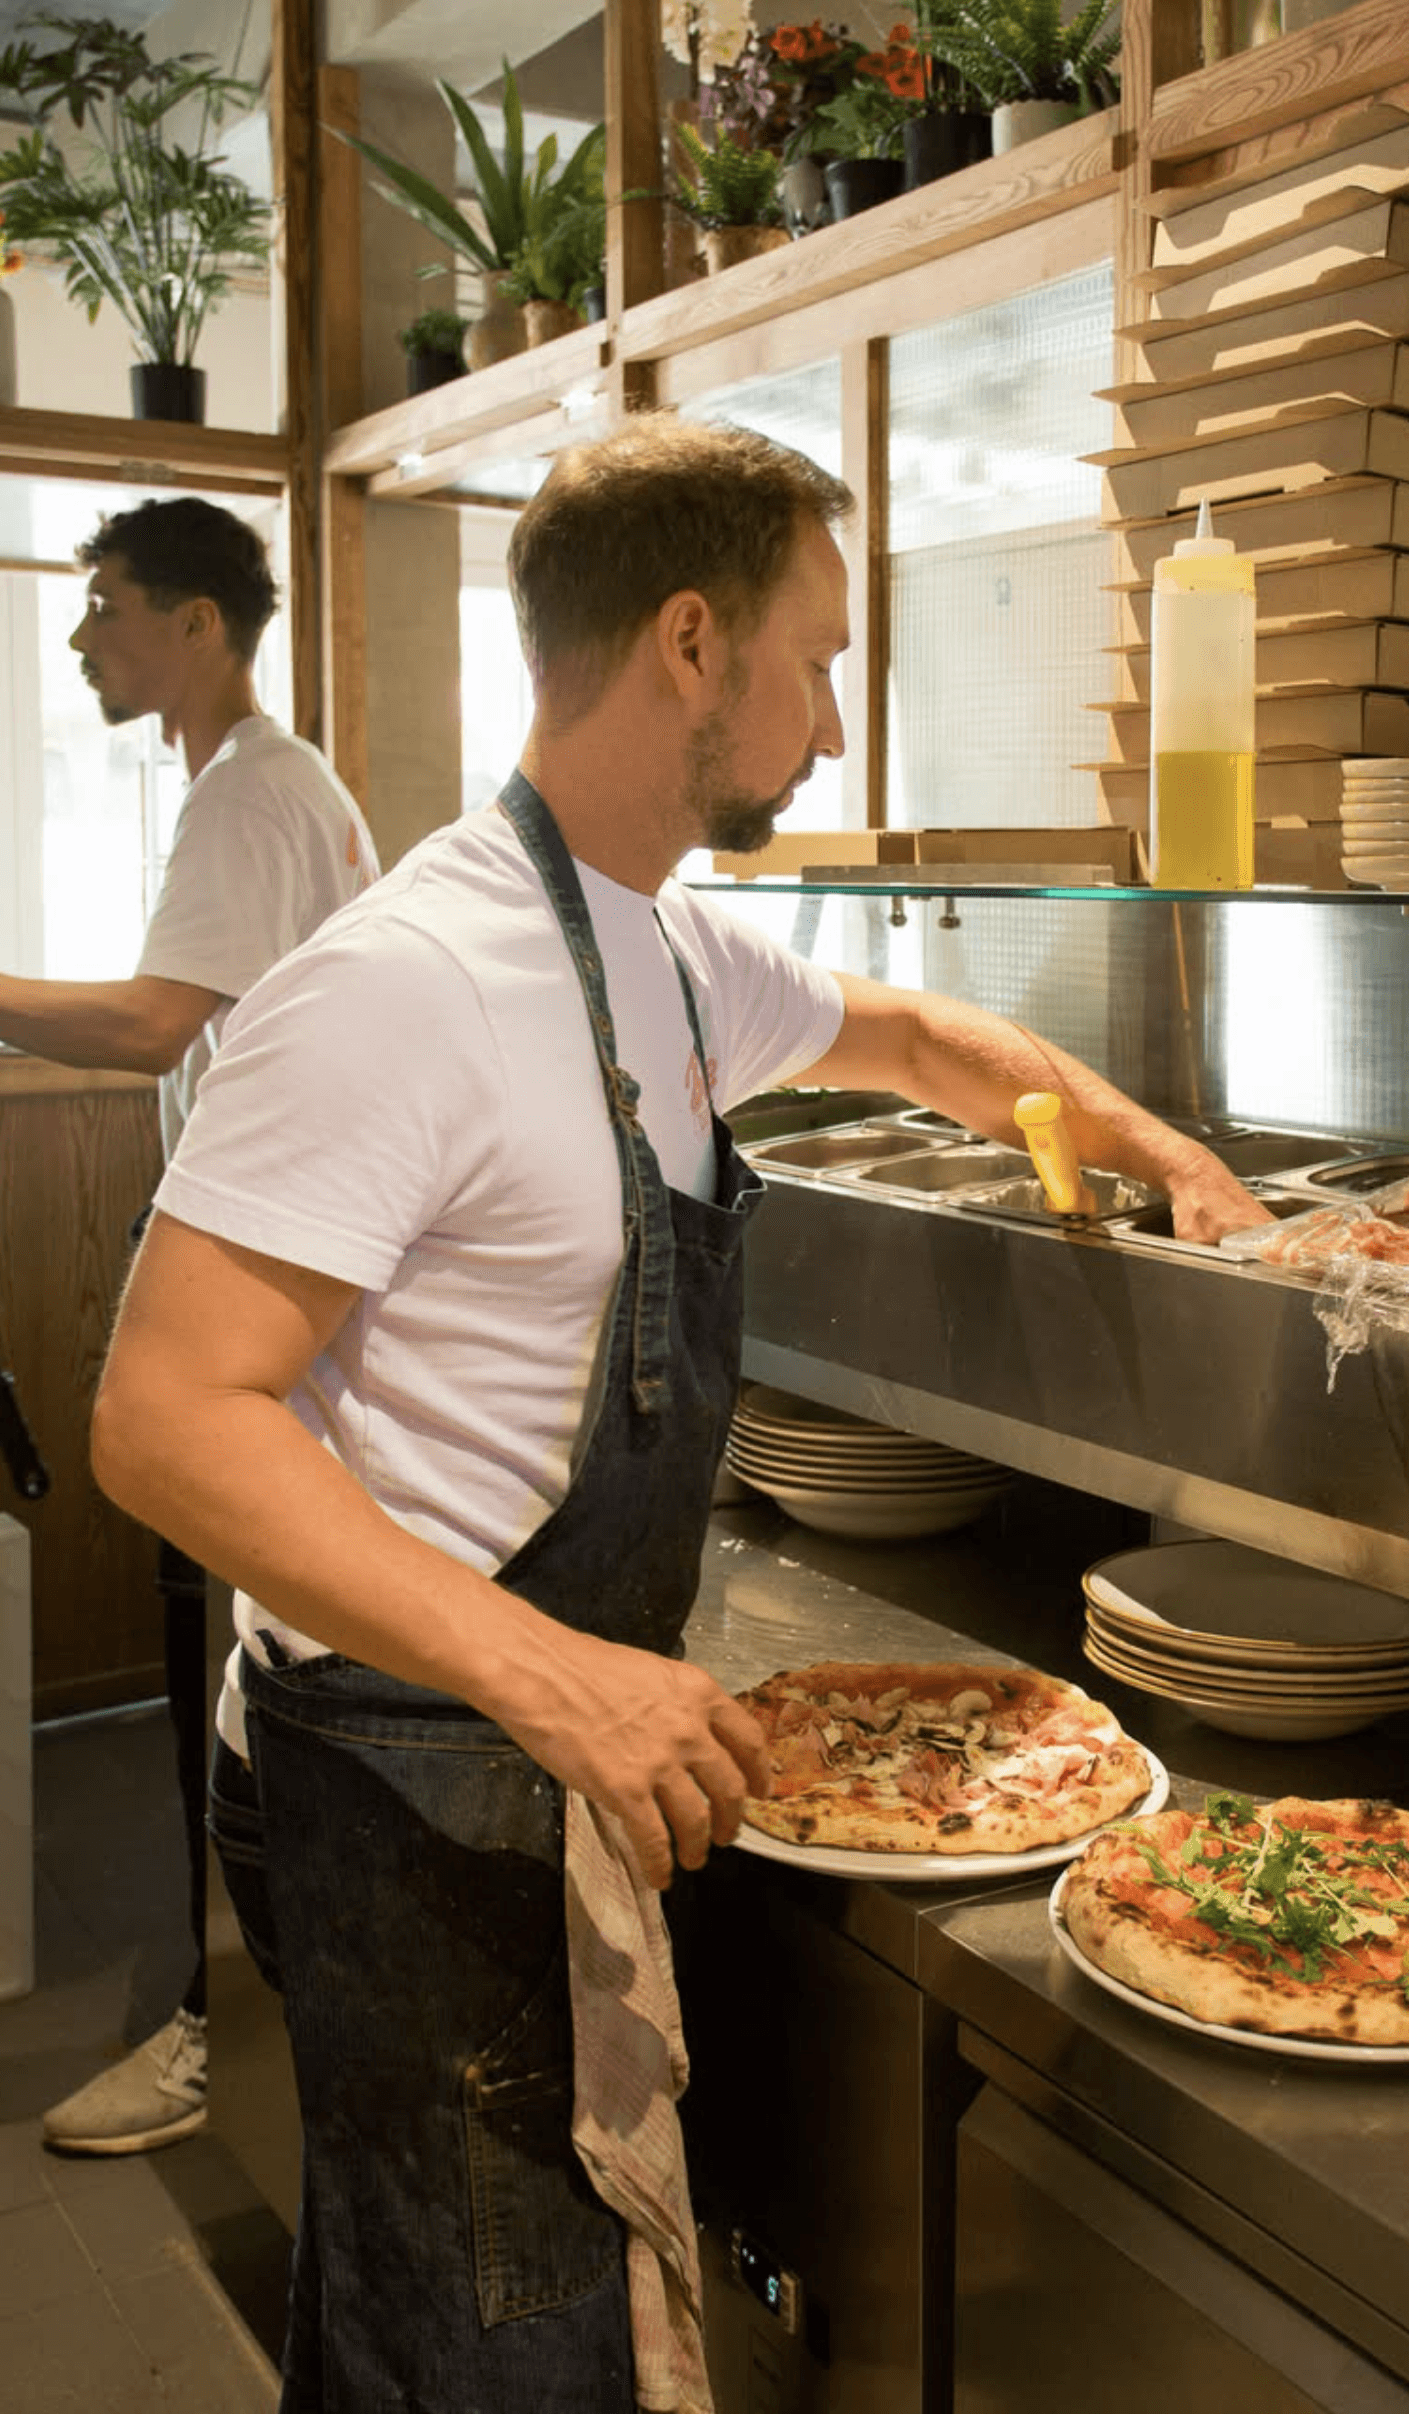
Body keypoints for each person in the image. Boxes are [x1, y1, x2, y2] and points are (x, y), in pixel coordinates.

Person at [89, 415, 1267, 2409]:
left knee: (475, 2337)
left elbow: (907, 1031)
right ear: (696, 646)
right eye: (816, 655)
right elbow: (165, 1418)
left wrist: (1163, 1154)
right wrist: (557, 1681)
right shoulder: (408, 980)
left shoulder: (652, 939)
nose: (831, 713)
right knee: (486, 2360)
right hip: (409, 1787)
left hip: (536, 1759)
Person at [0, 496, 380, 2157]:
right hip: (294, 1256)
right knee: (246, 1653)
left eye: (110, 607)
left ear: (199, 623)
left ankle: (228, 2029)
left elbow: (150, 1029)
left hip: (271, 1274)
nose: (82, 637)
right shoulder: (267, 789)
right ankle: (264, 2017)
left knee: (240, 1658)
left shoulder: (252, 791)